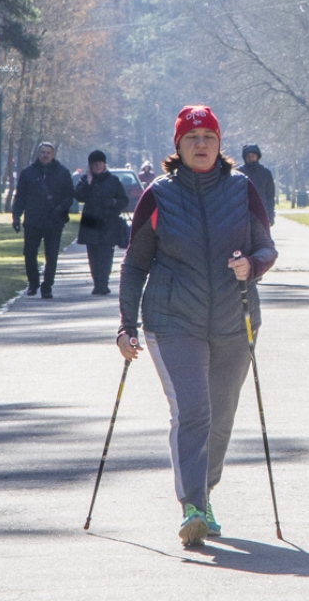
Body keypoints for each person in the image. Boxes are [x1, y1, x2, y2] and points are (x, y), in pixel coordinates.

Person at [116, 106, 277, 547]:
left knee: (221, 417)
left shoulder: (242, 189)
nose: (201, 144)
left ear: (220, 143)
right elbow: (135, 265)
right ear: (178, 147)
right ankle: (192, 506)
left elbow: (266, 248)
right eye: (192, 138)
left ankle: (204, 492)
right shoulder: (158, 195)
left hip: (234, 319)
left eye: (208, 136)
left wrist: (252, 264)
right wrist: (125, 324)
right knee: (193, 412)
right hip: (173, 321)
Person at [12, 142, 73, 299]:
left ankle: (47, 286)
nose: (45, 155)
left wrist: (61, 208)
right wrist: (16, 216)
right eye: (43, 152)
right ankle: (33, 284)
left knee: (51, 255)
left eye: (48, 152)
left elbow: (69, 196)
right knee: (30, 253)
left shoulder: (63, 172)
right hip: (33, 220)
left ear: (53, 155)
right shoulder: (28, 173)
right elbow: (20, 197)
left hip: (54, 221)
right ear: (38, 154)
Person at [74, 150, 130, 296]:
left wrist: (113, 202)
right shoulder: (85, 180)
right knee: (93, 256)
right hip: (91, 223)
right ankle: (97, 283)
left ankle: (104, 283)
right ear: (90, 167)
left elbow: (124, 201)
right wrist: (89, 182)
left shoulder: (113, 180)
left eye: (99, 164)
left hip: (109, 223)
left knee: (106, 255)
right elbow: (79, 196)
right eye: (94, 165)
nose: (97, 167)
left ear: (104, 164)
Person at [237, 144, 276, 225]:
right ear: (245, 158)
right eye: (248, 156)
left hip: (261, 212)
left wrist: (270, 215)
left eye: (253, 155)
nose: (251, 158)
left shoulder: (266, 173)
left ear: (257, 156)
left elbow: (270, 195)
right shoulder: (238, 173)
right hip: (244, 213)